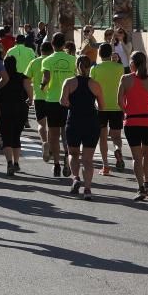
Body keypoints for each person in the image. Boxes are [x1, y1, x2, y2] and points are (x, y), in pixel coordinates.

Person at [119, 52, 148, 201]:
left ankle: (140, 188)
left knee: (137, 158)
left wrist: (128, 111)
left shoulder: (125, 79)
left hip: (132, 122)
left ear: (132, 63)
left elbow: (119, 102)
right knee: (147, 154)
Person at [61, 55, 104, 200]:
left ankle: (76, 178)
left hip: (74, 121)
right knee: (88, 159)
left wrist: (74, 104)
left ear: (77, 66)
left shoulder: (69, 82)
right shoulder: (95, 84)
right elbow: (102, 106)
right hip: (91, 122)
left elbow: (63, 101)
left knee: (73, 153)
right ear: (89, 67)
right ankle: (87, 189)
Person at [42, 32, 77, 178]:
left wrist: (42, 86)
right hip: (69, 100)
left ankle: (56, 164)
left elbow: (46, 78)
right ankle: (67, 159)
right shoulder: (72, 59)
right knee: (66, 133)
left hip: (52, 100)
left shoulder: (47, 60)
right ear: (64, 45)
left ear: (52, 44)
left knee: (54, 134)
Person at [90, 44, 125, 175]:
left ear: (99, 54)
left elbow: (91, 86)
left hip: (101, 107)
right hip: (117, 106)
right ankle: (118, 149)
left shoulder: (95, 68)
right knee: (116, 136)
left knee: (103, 138)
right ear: (111, 54)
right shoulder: (120, 67)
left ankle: (105, 166)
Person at [0, 56, 32, 176]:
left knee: (6, 137)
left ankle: (9, 163)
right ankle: (16, 163)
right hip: (20, 109)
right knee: (16, 136)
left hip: (3, 109)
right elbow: (29, 91)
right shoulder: (22, 77)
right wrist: (30, 100)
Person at [26, 42, 54, 162]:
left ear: (39, 51)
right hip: (53, 98)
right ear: (51, 50)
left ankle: (44, 142)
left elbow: (27, 80)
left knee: (42, 124)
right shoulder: (53, 61)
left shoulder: (34, 62)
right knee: (53, 125)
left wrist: (29, 96)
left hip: (39, 98)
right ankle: (51, 146)